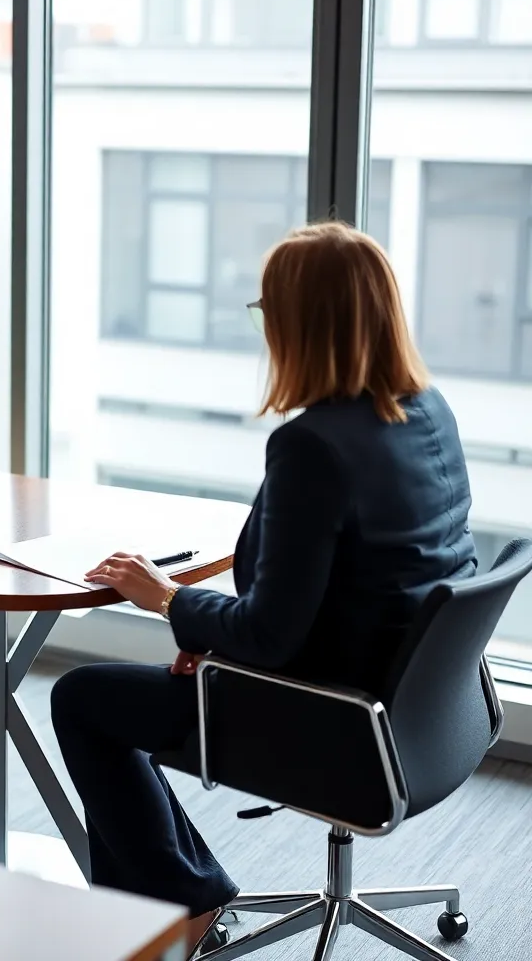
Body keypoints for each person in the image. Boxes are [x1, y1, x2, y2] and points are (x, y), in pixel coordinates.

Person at [50, 221, 476, 952]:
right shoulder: (426, 411)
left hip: (330, 721)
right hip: (423, 716)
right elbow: (359, 590)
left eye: (269, 310)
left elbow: (270, 636)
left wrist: (169, 600)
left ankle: (180, 907)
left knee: (82, 699)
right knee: (131, 699)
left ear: (301, 323)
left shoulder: (313, 446)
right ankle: (187, 894)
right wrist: (210, 640)